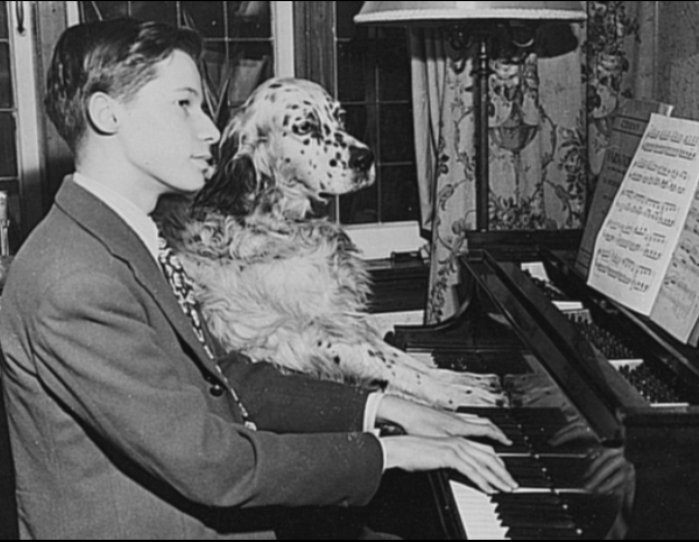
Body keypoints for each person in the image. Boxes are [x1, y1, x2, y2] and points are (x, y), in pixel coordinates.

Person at [0, 18, 518, 539]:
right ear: (106, 114)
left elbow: (224, 376)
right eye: (184, 105)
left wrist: (386, 407)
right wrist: (391, 451)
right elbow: (213, 464)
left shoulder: (127, 237)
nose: (210, 129)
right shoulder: (74, 280)